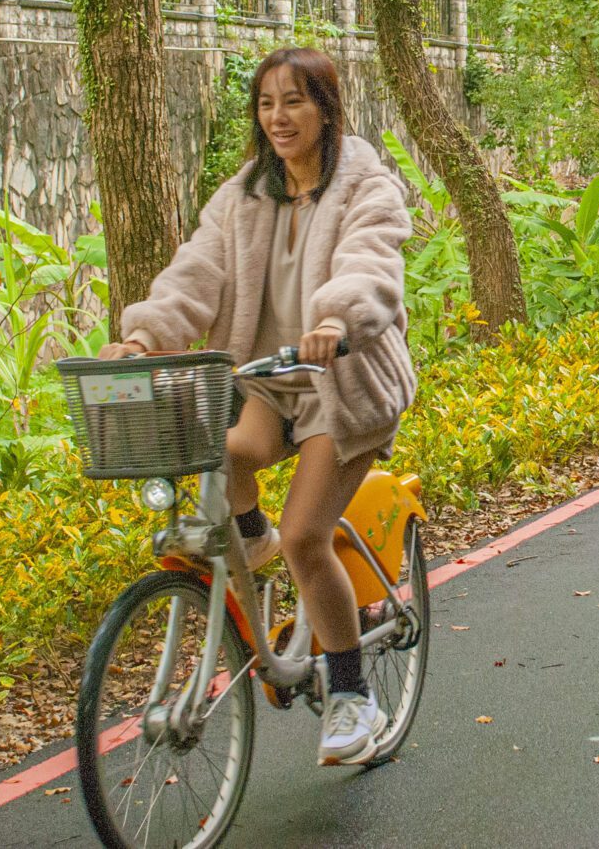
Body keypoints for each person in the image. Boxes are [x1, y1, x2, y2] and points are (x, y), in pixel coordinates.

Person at [98, 46, 416, 766]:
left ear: (327, 109)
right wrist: (146, 334)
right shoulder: (241, 194)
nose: (279, 116)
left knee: (307, 535)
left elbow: (373, 260)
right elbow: (196, 271)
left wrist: (334, 318)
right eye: (267, 103)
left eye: (295, 101)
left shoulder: (367, 184)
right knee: (225, 448)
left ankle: (350, 695)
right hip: (270, 377)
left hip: (348, 379)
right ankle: (253, 537)